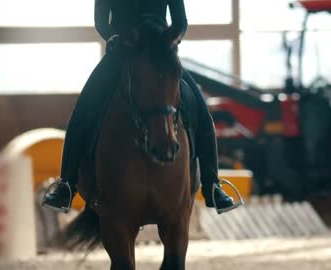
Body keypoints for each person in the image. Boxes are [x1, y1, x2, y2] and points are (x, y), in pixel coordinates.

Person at [42, 0, 238, 213]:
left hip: (160, 52)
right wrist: (113, 36)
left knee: (202, 112)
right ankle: (67, 184)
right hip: (122, 53)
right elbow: (101, 22)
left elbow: (180, 21)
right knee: (81, 111)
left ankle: (212, 185)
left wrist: (173, 38)